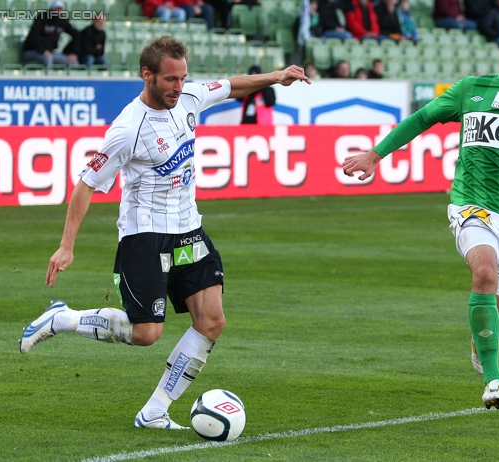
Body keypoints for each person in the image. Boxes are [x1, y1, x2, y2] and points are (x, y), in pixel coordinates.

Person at [19, 35, 310, 430]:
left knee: (211, 321)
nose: (178, 86)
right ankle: (63, 318)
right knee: (146, 334)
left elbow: (230, 85)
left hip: (189, 228)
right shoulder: (127, 129)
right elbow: (86, 184)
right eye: (171, 79)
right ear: (147, 75)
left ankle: (154, 410)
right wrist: (66, 246)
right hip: (145, 235)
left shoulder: (189, 98)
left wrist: (277, 76)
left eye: (183, 77)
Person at [342, 14, 499, 409]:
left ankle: (483, 341)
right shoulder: (470, 89)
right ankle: (494, 381)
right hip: (472, 205)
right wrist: (376, 154)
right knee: (484, 271)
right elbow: (421, 118)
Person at [21, 0, 79, 67]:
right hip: (32, 51)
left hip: (50, 53)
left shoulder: (62, 21)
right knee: (48, 58)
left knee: (73, 62)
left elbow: (76, 34)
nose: (58, 11)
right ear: (51, 9)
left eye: (60, 9)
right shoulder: (42, 18)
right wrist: (43, 50)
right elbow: (34, 36)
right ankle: (49, 76)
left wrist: (74, 53)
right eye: (56, 9)